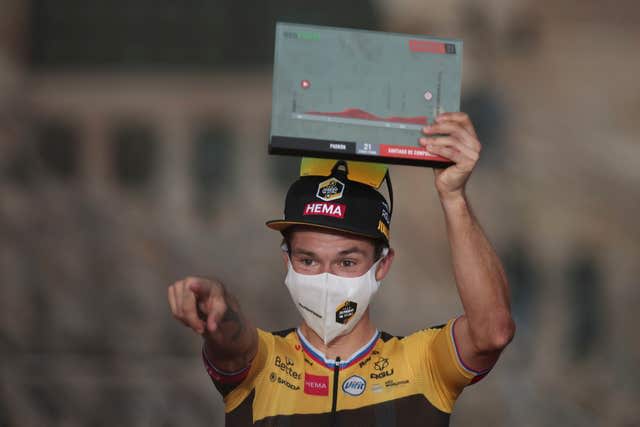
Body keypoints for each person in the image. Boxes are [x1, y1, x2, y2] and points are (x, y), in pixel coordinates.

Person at [167, 112, 515, 426]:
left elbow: (492, 332)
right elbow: (230, 343)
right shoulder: (263, 362)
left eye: (347, 262)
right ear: (286, 261)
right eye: (309, 260)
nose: (326, 278)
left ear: (382, 265)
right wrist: (218, 305)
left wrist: (453, 197)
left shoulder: (420, 363)